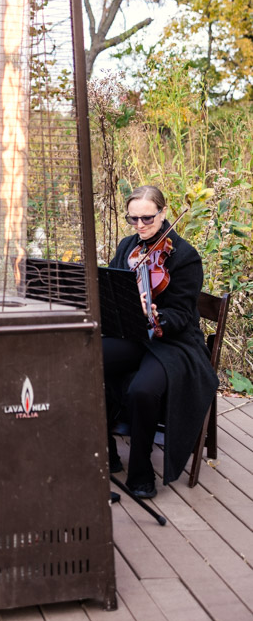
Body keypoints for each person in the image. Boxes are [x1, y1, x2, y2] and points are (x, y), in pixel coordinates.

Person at [103, 184, 218, 498]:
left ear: (163, 213)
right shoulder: (128, 247)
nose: (140, 226)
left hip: (173, 343)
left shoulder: (184, 256)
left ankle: (141, 473)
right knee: (87, 359)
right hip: (136, 335)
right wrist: (122, 306)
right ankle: (106, 451)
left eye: (147, 218)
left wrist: (157, 315)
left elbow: (182, 314)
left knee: (143, 389)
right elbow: (113, 287)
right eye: (133, 219)